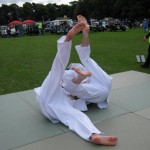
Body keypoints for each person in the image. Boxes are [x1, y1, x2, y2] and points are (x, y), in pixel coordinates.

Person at [34, 15, 118, 145]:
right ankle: (93, 134)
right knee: (59, 72)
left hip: (58, 99)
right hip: (56, 96)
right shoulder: (67, 85)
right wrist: (79, 79)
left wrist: (79, 80)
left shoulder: (70, 97)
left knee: (58, 71)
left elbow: (73, 93)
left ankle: (94, 135)